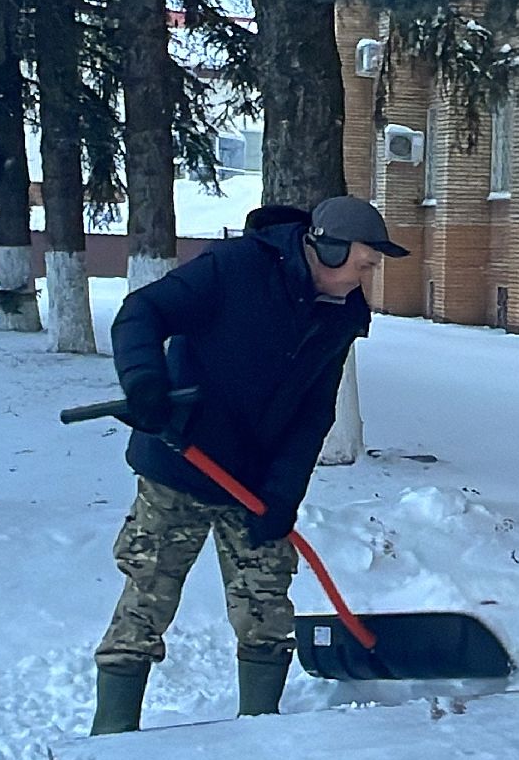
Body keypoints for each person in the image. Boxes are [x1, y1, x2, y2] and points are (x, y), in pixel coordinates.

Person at [90, 196, 409, 732]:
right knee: (147, 597)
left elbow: (313, 414)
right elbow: (143, 311)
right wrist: (144, 380)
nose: (366, 277)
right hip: (178, 460)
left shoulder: (341, 315)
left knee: (266, 606)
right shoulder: (235, 268)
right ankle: (111, 732)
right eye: (364, 263)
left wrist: (283, 495)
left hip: (253, 482)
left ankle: (260, 730)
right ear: (328, 249)